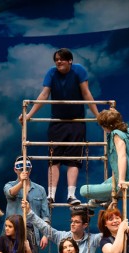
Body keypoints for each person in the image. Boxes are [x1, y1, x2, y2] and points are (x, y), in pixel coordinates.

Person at [19, 48, 99, 206]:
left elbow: (86, 93)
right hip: (57, 121)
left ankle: (71, 195)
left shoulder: (79, 70)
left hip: (76, 121)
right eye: (56, 59)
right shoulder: (51, 73)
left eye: (62, 59)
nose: (58, 62)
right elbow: (44, 94)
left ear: (70, 61)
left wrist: (98, 116)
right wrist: (28, 115)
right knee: (53, 159)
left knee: (73, 160)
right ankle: (51, 195)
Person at [81, 108, 129, 208]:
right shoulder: (128, 131)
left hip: (125, 181)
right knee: (102, 187)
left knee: (84, 190)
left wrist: (121, 180)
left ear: (108, 126)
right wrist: (114, 113)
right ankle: (94, 203)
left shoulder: (116, 135)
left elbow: (122, 156)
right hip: (126, 178)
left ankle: (95, 202)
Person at [22, 199, 101, 253]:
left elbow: (106, 234)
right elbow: (45, 228)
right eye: (72, 221)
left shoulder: (93, 240)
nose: (72, 224)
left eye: (76, 222)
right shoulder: (62, 237)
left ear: (85, 225)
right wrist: (29, 212)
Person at [4, 156, 49, 253]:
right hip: (13, 232)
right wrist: (21, 183)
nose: (24, 171)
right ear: (15, 170)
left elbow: (45, 215)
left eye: (27, 169)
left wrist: (45, 235)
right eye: (21, 169)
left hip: (32, 232)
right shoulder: (9, 185)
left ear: (30, 169)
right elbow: (10, 193)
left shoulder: (40, 190)